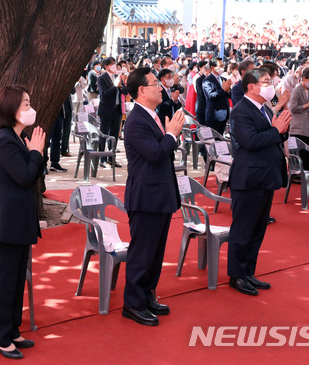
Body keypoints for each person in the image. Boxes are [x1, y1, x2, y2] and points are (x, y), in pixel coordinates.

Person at [0, 85, 45, 359]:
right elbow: (24, 176)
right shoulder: (4, 140)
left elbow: (32, 176)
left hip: (19, 219)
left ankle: (11, 328)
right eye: (25, 104)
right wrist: (36, 152)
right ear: (11, 110)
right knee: (5, 279)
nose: (30, 109)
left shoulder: (17, 138)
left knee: (17, 276)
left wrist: (34, 151)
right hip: (7, 221)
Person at [122, 67, 183, 326]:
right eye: (156, 83)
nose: (161, 86)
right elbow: (156, 153)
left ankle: (147, 295)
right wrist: (171, 135)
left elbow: (163, 149)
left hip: (160, 194)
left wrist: (170, 136)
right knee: (143, 252)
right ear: (141, 90)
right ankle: (133, 304)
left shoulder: (153, 114)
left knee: (155, 253)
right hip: (146, 197)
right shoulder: (136, 120)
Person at [227, 68, 291, 295]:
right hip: (249, 179)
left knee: (257, 229)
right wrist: (276, 130)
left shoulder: (263, 108)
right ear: (251, 87)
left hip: (265, 177)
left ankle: (248, 272)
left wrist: (281, 130)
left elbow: (272, 135)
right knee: (243, 229)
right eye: (265, 82)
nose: (270, 85)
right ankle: (236, 275)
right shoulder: (241, 111)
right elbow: (251, 141)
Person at [97, 57, 127, 168]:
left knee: (114, 135)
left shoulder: (117, 76)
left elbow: (125, 91)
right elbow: (104, 94)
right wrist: (115, 86)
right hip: (106, 110)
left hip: (117, 110)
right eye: (112, 64)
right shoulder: (101, 78)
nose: (115, 66)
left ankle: (112, 158)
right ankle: (102, 158)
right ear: (106, 66)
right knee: (104, 135)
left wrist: (121, 84)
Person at [288, 66, 309, 171]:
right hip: (298, 127)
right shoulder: (297, 90)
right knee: (300, 153)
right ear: (304, 78)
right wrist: (308, 104)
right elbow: (292, 108)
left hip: (307, 127)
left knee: (307, 154)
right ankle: (298, 175)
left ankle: (306, 174)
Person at [202, 58, 233, 134]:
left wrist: (228, 90)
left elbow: (230, 95)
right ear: (212, 67)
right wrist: (223, 89)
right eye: (220, 66)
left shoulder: (223, 79)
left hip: (224, 114)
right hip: (214, 115)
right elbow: (211, 96)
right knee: (212, 140)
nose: (222, 68)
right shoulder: (207, 80)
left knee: (220, 139)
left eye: (223, 66)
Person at [194, 60, 209, 125]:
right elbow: (201, 93)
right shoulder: (199, 80)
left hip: (210, 110)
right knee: (201, 129)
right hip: (202, 108)